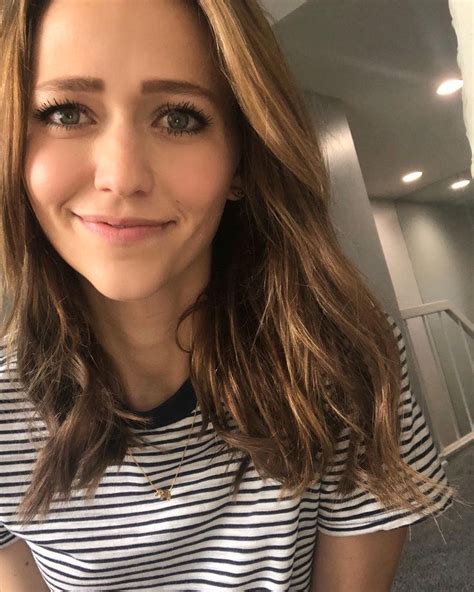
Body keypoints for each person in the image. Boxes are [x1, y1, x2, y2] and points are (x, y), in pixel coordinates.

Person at [0, 1, 460, 590]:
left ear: (241, 161)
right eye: (65, 112)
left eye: (180, 118)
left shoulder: (338, 363)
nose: (122, 174)